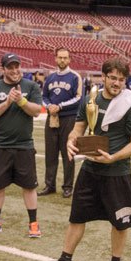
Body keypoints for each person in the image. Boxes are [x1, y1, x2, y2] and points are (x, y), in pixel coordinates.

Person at [38, 57, 131, 261]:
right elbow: (77, 129)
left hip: (117, 172)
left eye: (121, 79)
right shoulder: (90, 100)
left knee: (119, 222)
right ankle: (65, 260)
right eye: (113, 78)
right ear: (103, 77)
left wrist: (114, 157)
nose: (117, 83)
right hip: (90, 169)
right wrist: (70, 141)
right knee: (77, 216)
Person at [0, 53, 43, 238]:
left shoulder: (31, 86)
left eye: (17, 66)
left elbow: (36, 111)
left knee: (29, 186)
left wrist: (21, 100)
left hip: (24, 145)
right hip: (1, 145)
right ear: (3, 69)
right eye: (10, 67)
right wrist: (7, 102)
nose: (15, 70)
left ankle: (33, 223)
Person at [37, 47, 83, 199]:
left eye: (65, 58)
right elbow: (44, 96)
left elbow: (79, 98)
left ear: (69, 59)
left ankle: (68, 187)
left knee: (67, 153)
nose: (62, 60)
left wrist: (60, 106)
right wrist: (49, 106)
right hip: (52, 118)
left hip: (68, 119)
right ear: (55, 58)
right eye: (60, 57)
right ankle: (49, 185)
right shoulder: (49, 78)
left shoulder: (75, 77)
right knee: (50, 154)